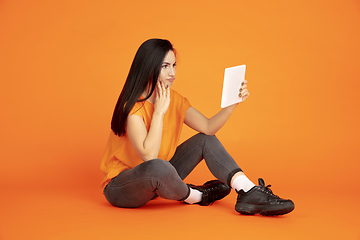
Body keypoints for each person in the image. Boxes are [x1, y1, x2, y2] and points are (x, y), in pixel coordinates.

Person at [100, 38, 294, 216]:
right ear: (148, 67)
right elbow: (149, 157)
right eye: (165, 66)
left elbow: (208, 127)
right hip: (122, 187)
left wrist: (233, 102)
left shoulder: (173, 99)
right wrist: (159, 112)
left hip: (160, 179)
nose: (173, 73)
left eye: (174, 65)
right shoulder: (133, 107)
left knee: (204, 140)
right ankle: (198, 195)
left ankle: (248, 190)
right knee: (158, 165)